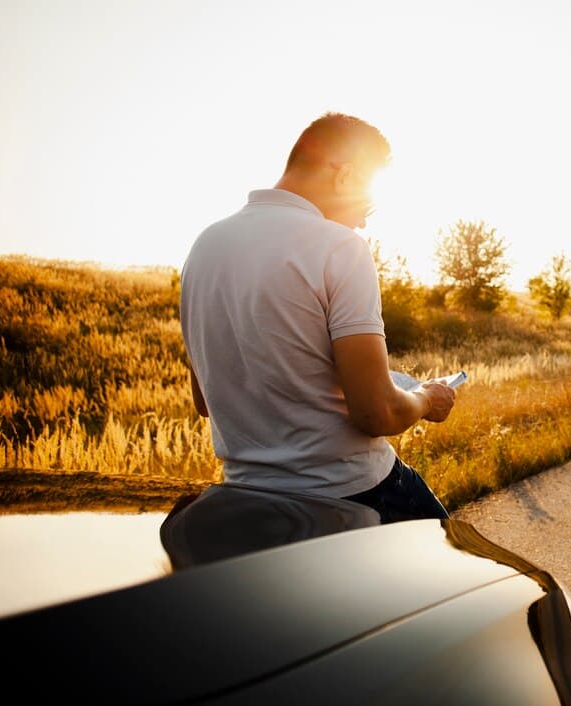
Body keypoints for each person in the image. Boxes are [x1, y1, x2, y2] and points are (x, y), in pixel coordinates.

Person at [178, 112, 457, 523]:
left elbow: (204, 401)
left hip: (243, 498)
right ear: (344, 176)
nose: (363, 221)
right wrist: (425, 398)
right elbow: (376, 412)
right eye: (368, 203)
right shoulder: (340, 248)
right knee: (457, 570)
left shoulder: (203, 247)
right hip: (355, 492)